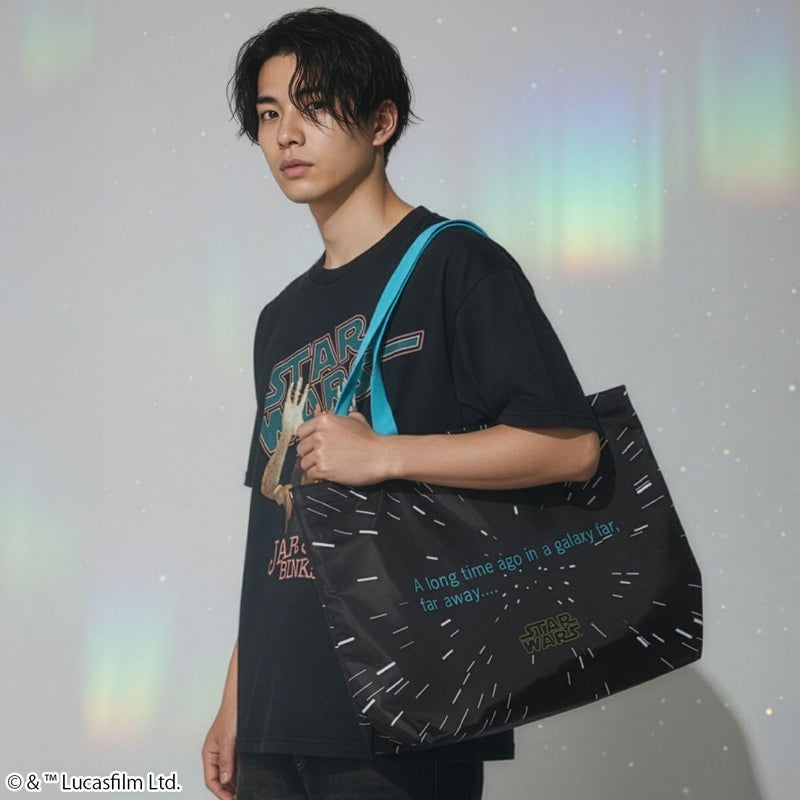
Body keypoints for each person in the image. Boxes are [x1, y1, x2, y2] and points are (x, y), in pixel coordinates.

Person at [202, 8, 601, 800]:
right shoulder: (280, 318)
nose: (286, 135)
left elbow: (571, 448)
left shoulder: (456, 264)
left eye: (315, 107)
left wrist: (384, 454)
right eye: (270, 114)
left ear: (381, 122)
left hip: (405, 704)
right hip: (278, 713)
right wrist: (236, 696)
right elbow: (281, 517)